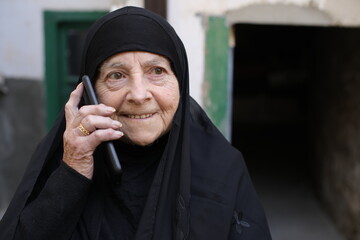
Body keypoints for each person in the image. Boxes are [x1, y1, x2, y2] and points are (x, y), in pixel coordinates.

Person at [0, 6, 272, 240]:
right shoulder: (67, 161)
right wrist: (74, 170)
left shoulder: (222, 169)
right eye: (116, 75)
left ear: (180, 82)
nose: (139, 95)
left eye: (157, 71)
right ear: (89, 92)